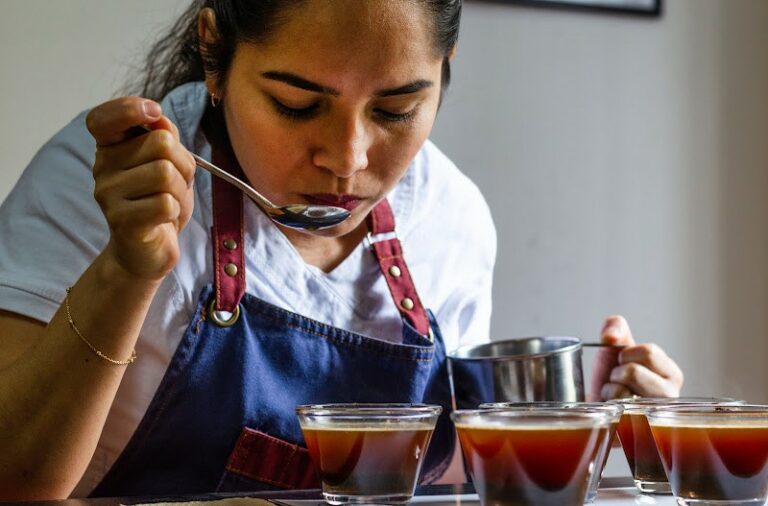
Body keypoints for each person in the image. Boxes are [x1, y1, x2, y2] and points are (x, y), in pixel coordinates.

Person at [0, 0, 683, 500]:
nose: (348, 161)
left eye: (394, 110)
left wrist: (595, 431)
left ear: (443, 70)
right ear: (214, 52)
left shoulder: (451, 219)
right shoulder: (106, 184)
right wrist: (125, 270)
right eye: (298, 105)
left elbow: (445, 484)